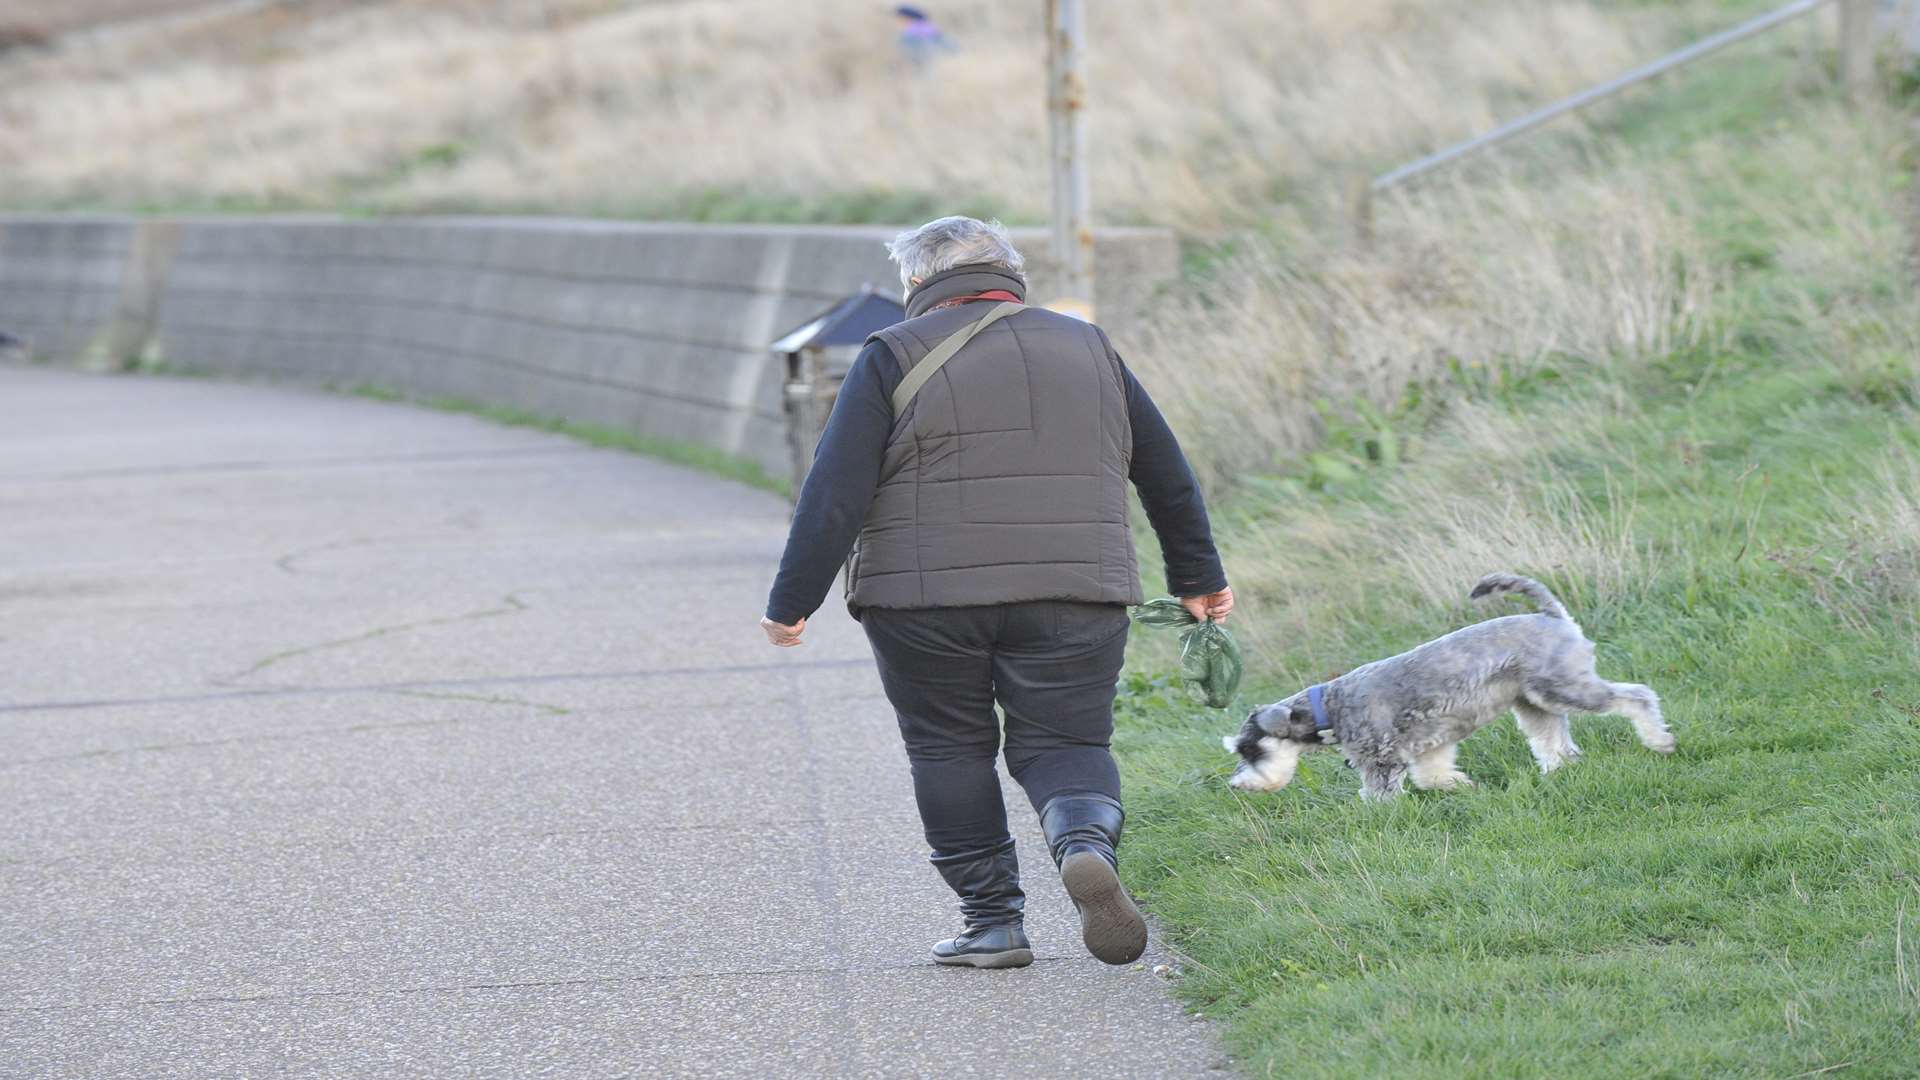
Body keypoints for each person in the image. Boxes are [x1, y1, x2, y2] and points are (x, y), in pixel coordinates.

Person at [759, 217, 1232, 969]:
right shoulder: (1089, 345)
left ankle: (994, 923)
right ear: (1010, 273)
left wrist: (793, 600)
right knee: (1068, 742)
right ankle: (1080, 839)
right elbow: (1165, 472)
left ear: (917, 284)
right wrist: (1199, 579)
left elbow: (835, 489)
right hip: (1077, 586)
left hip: (923, 601)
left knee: (948, 747)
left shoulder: (891, 353)